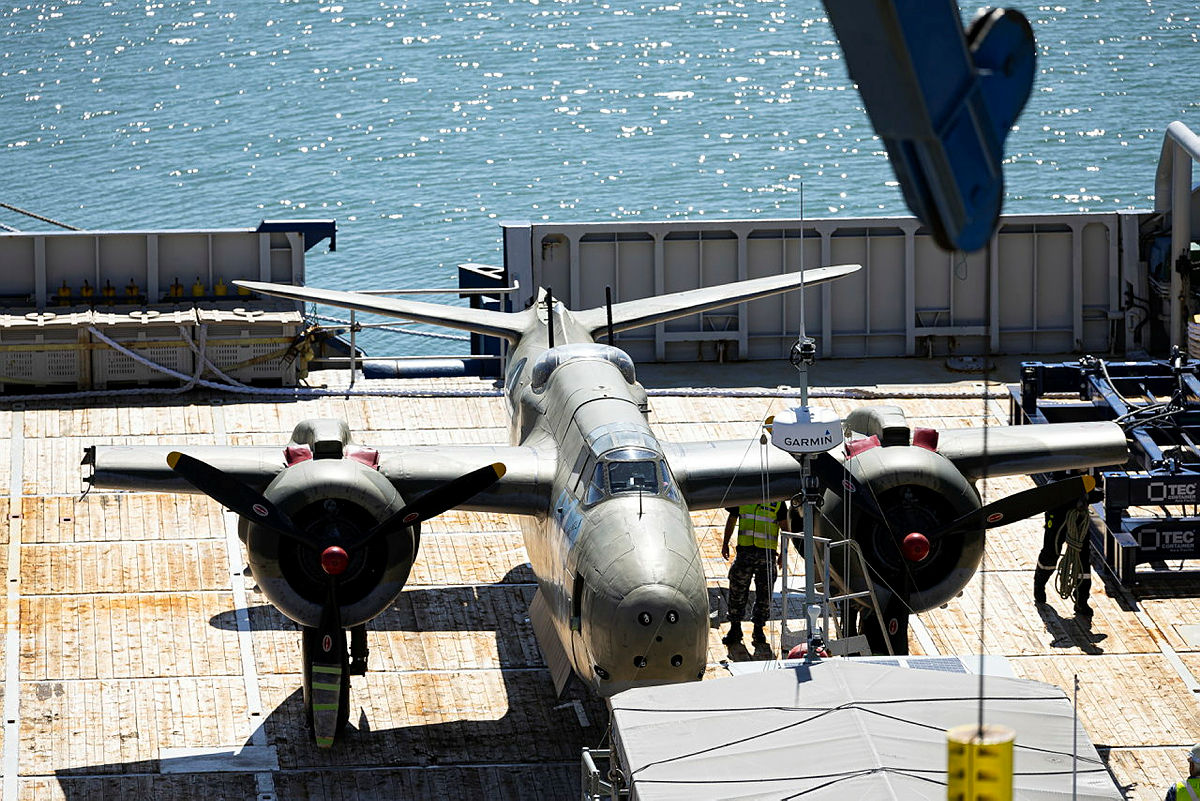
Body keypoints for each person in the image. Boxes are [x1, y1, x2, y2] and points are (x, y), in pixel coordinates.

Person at [721, 500, 788, 646]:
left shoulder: (777, 502)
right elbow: (732, 519)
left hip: (766, 555)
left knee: (764, 595)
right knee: (737, 590)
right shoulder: (744, 496)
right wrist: (725, 542)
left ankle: (758, 629)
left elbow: (785, 529)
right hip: (744, 552)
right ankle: (735, 628)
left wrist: (784, 553)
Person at [1033, 490, 1093, 617]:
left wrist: (1088, 496)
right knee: (1050, 553)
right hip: (1057, 514)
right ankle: (1039, 585)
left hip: (1080, 518)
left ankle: (1081, 601)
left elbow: (1098, 490)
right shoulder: (1058, 472)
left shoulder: (1091, 473)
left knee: (1082, 559)